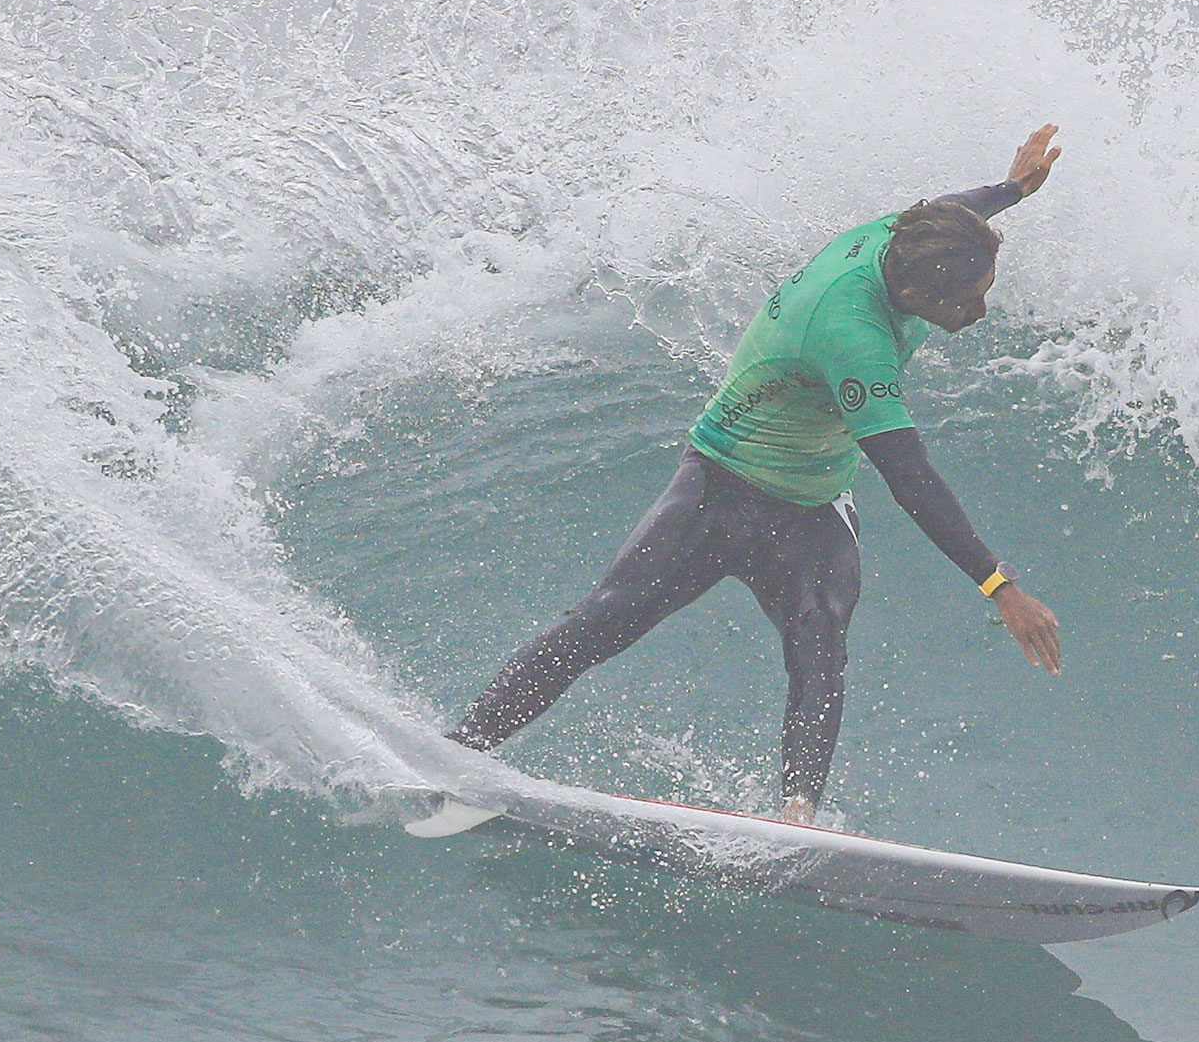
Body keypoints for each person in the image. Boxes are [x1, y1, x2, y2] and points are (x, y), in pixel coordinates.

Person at [449, 125, 1071, 824]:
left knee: (819, 645)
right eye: (963, 302)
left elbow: (956, 210)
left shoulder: (912, 238)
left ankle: (796, 819)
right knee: (602, 623)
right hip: (721, 484)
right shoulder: (851, 333)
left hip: (810, 504)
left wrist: (1011, 189)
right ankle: (458, 754)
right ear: (907, 288)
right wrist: (1000, 586)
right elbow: (910, 477)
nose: (978, 311)